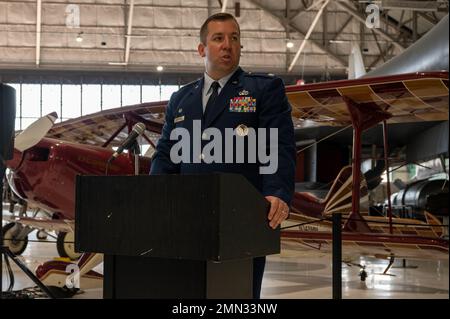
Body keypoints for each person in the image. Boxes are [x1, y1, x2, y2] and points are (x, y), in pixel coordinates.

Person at [150, 12, 296, 299]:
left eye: (234, 38)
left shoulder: (263, 89)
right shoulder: (181, 100)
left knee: (236, 296)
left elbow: (278, 144)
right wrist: (153, 197)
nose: (227, 45)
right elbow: (166, 154)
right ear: (202, 49)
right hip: (187, 219)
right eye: (218, 38)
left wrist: (277, 191)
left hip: (242, 218)